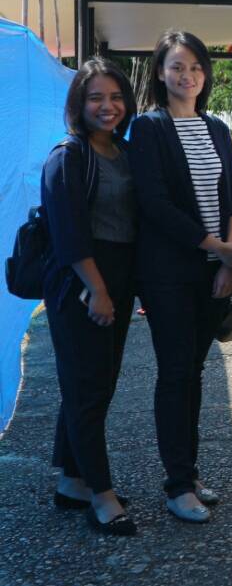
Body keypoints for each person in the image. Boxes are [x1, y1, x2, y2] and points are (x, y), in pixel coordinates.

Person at [128, 31, 232, 524]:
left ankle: (189, 474)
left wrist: (229, 262)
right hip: (168, 272)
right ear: (160, 72)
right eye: (176, 66)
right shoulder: (148, 128)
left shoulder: (215, 127)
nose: (187, 75)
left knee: (194, 372)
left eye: (195, 66)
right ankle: (176, 485)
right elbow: (153, 203)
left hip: (214, 269)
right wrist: (214, 246)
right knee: (175, 373)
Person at [42, 58, 139, 535]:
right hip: (81, 284)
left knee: (96, 386)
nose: (107, 106)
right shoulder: (68, 157)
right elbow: (70, 236)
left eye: (116, 97)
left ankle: (72, 481)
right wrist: (98, 290)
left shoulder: (124, 151)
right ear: (79, 103)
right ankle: (102, 495)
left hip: (118, 279)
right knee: (87, 390)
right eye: (96, 97)